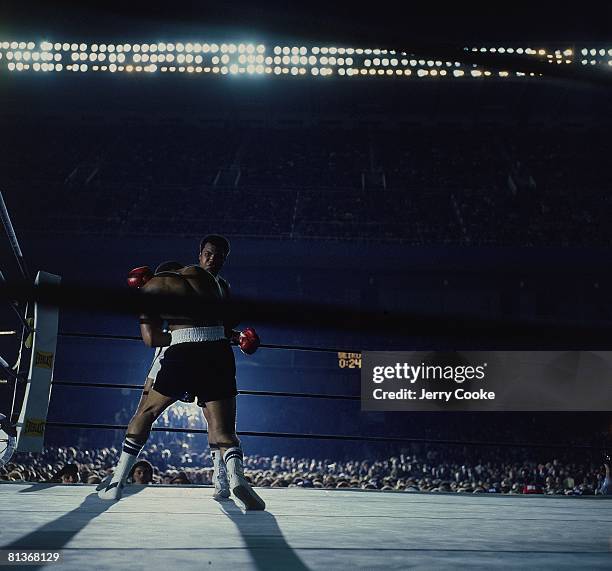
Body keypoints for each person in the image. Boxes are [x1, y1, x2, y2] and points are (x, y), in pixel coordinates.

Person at [98, 235, 264, 510]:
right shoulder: (213, 282)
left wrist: (177, 332)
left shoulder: (153, 287)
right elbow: (222, 325)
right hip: (218, 353)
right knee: (223, 430)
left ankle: (117, 481)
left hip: (182, 351)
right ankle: (237, 480)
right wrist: (236, 337)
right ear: (195, 258)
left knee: (146, 413)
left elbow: (151, 340)